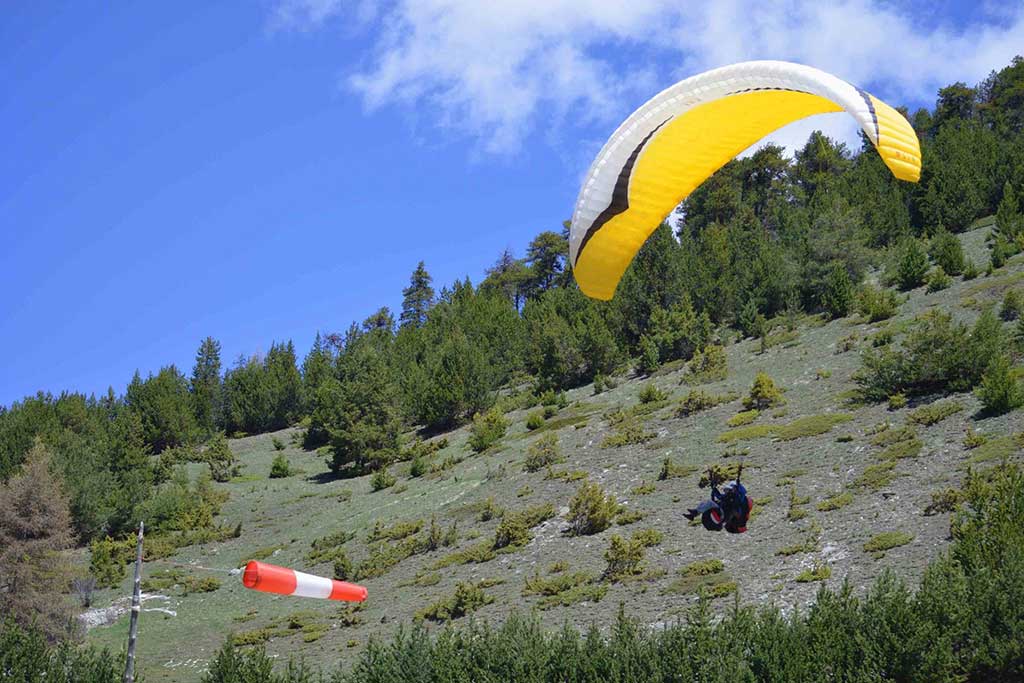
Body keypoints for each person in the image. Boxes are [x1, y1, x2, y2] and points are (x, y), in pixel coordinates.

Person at [683, 467, 752, 533]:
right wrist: (713, 488)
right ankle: (693, 515)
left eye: (727, 490)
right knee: (705, 503)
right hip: (721, 512)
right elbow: (719, 496)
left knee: (709, 503)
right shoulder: (727, 497)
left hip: (723, 514)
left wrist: (737, 487)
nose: (725, 491)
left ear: (733, 490)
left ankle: (695, 513)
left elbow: (737, 498)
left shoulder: (736, 499)